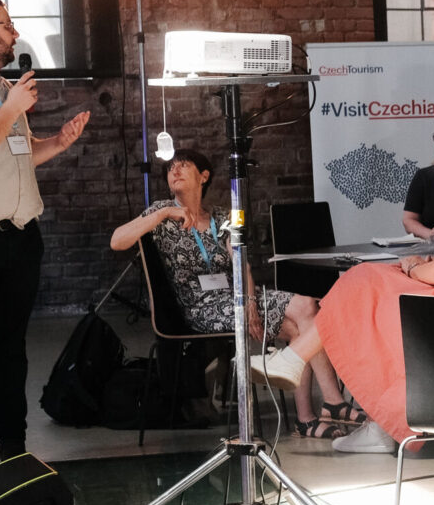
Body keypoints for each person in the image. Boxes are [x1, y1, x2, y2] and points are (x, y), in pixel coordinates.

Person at [249, 124, 434, 454]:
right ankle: (309, 369)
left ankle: (303, 365)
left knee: (360, 285)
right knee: (364, 283)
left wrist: (416, 266)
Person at [110, 149, 361, 439]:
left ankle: (308, 418)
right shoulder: (161, 213)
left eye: (184, 165)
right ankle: (329, 404)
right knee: (302, 316)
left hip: (236, 298)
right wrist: (166, 212)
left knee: (303, 313)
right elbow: (117, 241)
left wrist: (251, 303)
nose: (175, 171)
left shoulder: (221, 217)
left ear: (203, 176)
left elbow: (243, 266)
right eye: (170, 168)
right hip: (199, 308)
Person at [0, 0, 90, 477]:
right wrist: (12, 108)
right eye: (6, 25)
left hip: (19, 238)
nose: (14, 34)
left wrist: (58, 142)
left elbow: (19, 154)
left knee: (11, 349)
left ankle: (13, 452)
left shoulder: (3, 86)